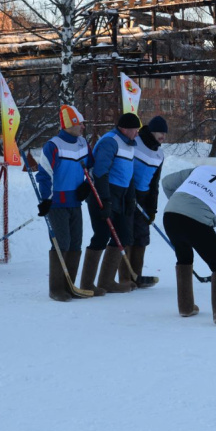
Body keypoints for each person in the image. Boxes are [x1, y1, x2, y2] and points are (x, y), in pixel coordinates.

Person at [161, 150, 216, 325]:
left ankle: (185, 307)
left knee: (184, 256)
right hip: (195, 221)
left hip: (170, 216)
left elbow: (166, 182)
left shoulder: (201, 170)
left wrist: (180, 205)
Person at [34, 105, 94, 301]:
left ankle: (70, 285)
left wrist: (87, 185)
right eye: (80, 123)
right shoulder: (53, 145)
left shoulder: (83, 143)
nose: (83, 127)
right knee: (63, 243)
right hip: (57, 203)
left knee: (76, 243)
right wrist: (46, 200)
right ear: (70, 124)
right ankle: (56, 288)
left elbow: (92, 166)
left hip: (76, 201)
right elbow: (44, 174)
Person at [81, 112, 141, 294]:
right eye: (135, 130)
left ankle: (107, 281)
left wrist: (131, 197)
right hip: (103, 192)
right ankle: (87, 283)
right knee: (101, 235)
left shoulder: (130, 144)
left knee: (123, 235)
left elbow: (129, 173)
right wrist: (105, 199)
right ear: (124, 129)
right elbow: (100, 172)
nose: (137, 133)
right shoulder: (110, 141)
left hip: (121, 194)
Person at [126, 116, 169, 288]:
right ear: (151, 131)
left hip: (143, 197)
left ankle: (137, 276)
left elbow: (154, 183)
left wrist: (152, 209)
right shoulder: (135, 142)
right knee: (127, 235)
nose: (163, 137)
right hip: (128, 194)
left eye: (165, 133)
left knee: (142, 237)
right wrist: (128, 192)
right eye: (160, 132)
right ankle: (125, 278)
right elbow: (124, 167)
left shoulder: (160, 154)